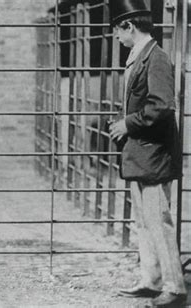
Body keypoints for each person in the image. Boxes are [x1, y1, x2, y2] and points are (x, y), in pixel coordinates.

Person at [108, 0, 187, 307]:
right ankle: (151, 279)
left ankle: (175, 287)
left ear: (129, 26)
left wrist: (127, 124)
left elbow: (162, 107)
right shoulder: (139, 56)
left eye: (117, 30)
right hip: (142, 153)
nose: (116, 37)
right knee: (144, 221)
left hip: (153, 153)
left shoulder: (156, 58)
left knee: (158, 220)